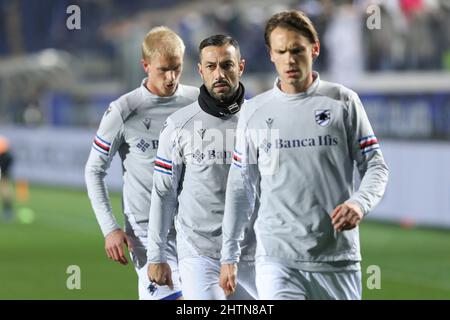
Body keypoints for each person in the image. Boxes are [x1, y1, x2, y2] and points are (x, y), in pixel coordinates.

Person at [220, 10, 389, 300]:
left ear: (315, 48)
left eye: (297, 50)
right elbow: (239, 187)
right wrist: (228, 255)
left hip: (337, 259)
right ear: (271, 55)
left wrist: (359, 203)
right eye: (281, 51)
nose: (289, 59)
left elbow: (376, 165)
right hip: (277, 259)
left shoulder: (343, 102)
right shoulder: (254, 111)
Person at [85, 26, 199, 300]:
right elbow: (94, 170)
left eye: (177, 68)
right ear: (145, 65)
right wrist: (110, 228)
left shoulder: (197, 102)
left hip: (195, 229)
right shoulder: (124, 110)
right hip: (146, 232)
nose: (171, 77)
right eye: (163, 70)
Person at [147, 35, 257, 300]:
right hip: (200, 253)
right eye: (211, 66)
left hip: (253, 254)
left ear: (240, 67)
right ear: (200, 70)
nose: (219, 73)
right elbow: (164, 193)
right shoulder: (179, 125)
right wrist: (156, 254)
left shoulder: (262, 120)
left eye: (227, 65)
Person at [0, 136, 14, 221]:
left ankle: (8, 210)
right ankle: (8, 210)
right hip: (6, 156)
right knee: (5, 185)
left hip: (3, 157)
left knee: (4, 185)